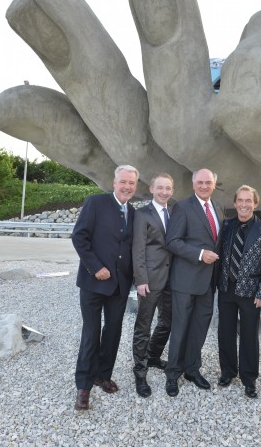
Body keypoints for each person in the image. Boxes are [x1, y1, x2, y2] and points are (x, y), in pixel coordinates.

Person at [72, 164, 139, 410]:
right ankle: (84, 386)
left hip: (119, 286)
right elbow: (79, 237)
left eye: (131, 183)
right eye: (123, 182)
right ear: (114, 182)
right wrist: (95, 267)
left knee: (113, 332)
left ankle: (103, 375)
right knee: (91, 333)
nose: (127, 187)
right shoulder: (96, 203)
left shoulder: (133, 212)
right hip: (93, 282)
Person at [164, 169, 222, 397]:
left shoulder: (217, 209)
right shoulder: (183, 207)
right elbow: (172, 241)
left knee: (199, 329)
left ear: (214, 185)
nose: (204, 186)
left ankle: (192, 369)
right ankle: (172, 373)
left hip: (209, 283)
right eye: (200, 182)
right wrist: (199, 254)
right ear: (193, 184)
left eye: (208, 182)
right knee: (180, 329)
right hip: (186, 281)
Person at [217, 185, 261, 398]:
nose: (243, 204)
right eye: (240, 200)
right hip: (226, 289)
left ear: (255, 203)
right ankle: (228, 371)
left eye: (248, 200)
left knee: (250, 336)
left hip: (251, 293)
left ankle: (249, 378)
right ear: (235, 203)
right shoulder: (227, 226)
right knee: (225, 332)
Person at [132, 173, 174, 398]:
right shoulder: (142, 215)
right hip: (149, 280)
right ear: (152, 189)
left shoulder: (173, 212)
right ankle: (140, 371)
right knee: (143, 326)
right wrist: (141, 280)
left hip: (171, 279)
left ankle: (154, 355)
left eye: (168, 188)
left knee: (167, 321)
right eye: (160, 188)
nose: (164, 192)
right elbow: (138, 249)